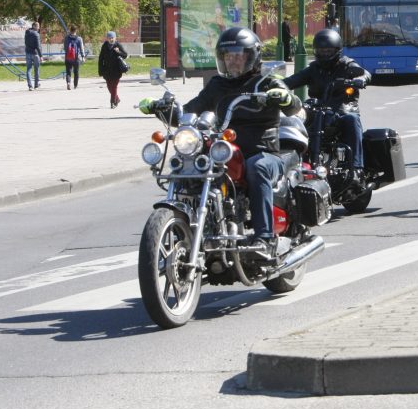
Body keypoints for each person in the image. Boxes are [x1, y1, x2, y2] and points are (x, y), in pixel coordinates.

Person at [141, 27, 301, 258]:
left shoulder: (265, 82)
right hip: (222, 152)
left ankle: (265, 238)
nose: (233, 61)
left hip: (262, 151)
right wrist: (161, 108)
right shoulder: (217, 85)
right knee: (189, 165)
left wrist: (285, 97)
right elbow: (189, 112)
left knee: (257, 168)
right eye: (228, 56)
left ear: (252, 57)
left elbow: (293, 105)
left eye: (238, 56)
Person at [284, 29, 370, 179]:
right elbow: (291, 81)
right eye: (321, 50)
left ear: (337, 50)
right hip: (318, 110)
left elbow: (364, 73)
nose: (324, 54)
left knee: (352, 120)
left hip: (343, 109)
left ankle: (357, 167)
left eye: (328, 50)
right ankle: (292, 165)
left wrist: (361, 79)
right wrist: (274, 84)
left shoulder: (346, 64)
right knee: (295, 120)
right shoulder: (313, 69)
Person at [98, 31, 128, 108]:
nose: (111, 39)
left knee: (114, 86)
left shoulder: (117, 45)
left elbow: (125, 55)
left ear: (115, 38)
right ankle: (117, 99)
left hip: (116, 70)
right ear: (107, 38)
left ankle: (113, 102)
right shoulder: (104, 46)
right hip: (107, 70)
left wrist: (118, 52)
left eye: (112, 38)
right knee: (109, 86)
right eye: (109, 38)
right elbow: (101, 58)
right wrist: (100, 70)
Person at [63, 26, 86, 90]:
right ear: (76, 31)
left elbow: (65, 48)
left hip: (68, 57)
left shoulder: (66, 38)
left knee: (68, 71)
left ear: (70, 30)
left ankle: (68, 83)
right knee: (76, 72)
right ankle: (75, 85)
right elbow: (81, 48)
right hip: (76, 58)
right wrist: (83, 56)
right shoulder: (79, 38)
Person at [24, 21, 43, 91]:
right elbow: (38, 46)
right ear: (34, 26)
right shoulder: (36, 34)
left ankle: (30, 86)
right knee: (36, 69)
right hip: (35, 54)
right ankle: (36, 85)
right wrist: (41, 56)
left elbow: (25, 42)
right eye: (38, 26)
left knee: (28, 69)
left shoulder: (27, 33)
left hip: (28, 52)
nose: (39, 28)